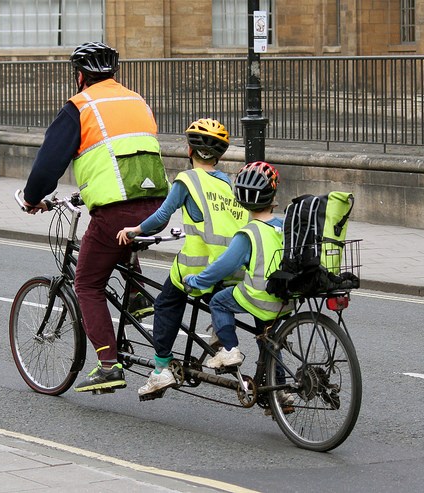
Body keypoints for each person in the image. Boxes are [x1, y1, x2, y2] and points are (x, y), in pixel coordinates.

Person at [22, 42, 169, 393]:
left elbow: (49, 163)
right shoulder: (137, 100)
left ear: (80, 75)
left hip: (117, 210)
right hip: (157, 205)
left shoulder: (81, 106)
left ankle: (107, 364)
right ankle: (135, 296)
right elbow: (122, 155)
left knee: (87, 284)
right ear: (113, 73)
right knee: (119, 243)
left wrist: (32, 198)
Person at [117, 118, 249, 398]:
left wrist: (135, 230)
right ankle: (218, 337)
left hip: (198, 264)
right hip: (230, 263)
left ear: (190, 151)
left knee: (167, 303)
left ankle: (161, 368)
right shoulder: (226, 182)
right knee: (218, 297)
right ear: (219, 155)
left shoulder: (187, 180)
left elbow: (162, 216)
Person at [184, 161, 293, 370]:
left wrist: (196, 280)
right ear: (273, 195)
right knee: (269, 341)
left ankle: (230, 349)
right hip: (282, 299)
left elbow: (222, 267)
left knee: (218, 302)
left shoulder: (249, 233)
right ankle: (279, 392)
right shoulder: (282, 226)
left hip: (259, 297)